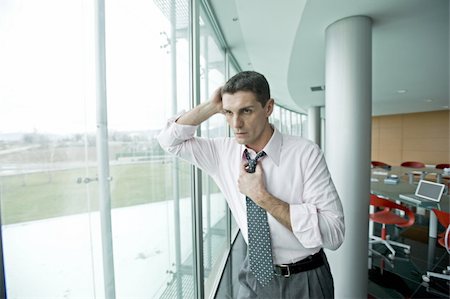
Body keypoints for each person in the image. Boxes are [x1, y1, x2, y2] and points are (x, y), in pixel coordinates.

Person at [157, 71, 345, 298]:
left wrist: (262, 197)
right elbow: (169, 140)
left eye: (246, 111)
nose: (236, 123)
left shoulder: (305, 153)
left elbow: (334, 234)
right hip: (253, 276)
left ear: (268, 108)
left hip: (305, 278)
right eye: (228, 112)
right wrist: (211, 106)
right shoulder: (222, 153)